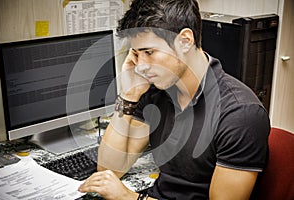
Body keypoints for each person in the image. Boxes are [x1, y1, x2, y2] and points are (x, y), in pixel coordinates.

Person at [78, 0, 271, 199]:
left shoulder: (240, 113)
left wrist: (130, 198)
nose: (141, 66)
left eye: (149, 52)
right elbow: (109, 169)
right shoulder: (156, 90)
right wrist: (128, 95)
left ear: (186, 41)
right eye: (136, 53)